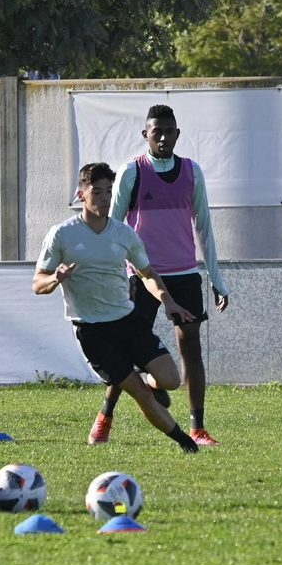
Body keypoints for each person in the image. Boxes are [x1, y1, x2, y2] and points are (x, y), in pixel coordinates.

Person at [35, 161, 200, 454]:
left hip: (128, 321)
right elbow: (37, 283)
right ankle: (186, 443)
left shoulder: (124, 234)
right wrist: (56, 279)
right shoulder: (62, 234)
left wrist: (168, 301)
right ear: (81, 195)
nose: (103, 198)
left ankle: (150, 384)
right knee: (139, 393)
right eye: (96, 191)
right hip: (92, 331)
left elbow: (147, 274)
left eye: (108, 191)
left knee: (170, 381)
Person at [90, 104, 230, 446]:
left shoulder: (192, 172)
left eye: (170, 131)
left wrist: (216, 278)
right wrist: (112, 273)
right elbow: (115, 226)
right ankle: (104, 419)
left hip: (184, 273)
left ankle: (197, 428)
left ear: (178, 134)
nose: (164, 137)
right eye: (157, 132)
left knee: (191, 346)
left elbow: (205, 228)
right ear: (146, 134)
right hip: (142, 275)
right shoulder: (132, 172)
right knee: (124, 349)